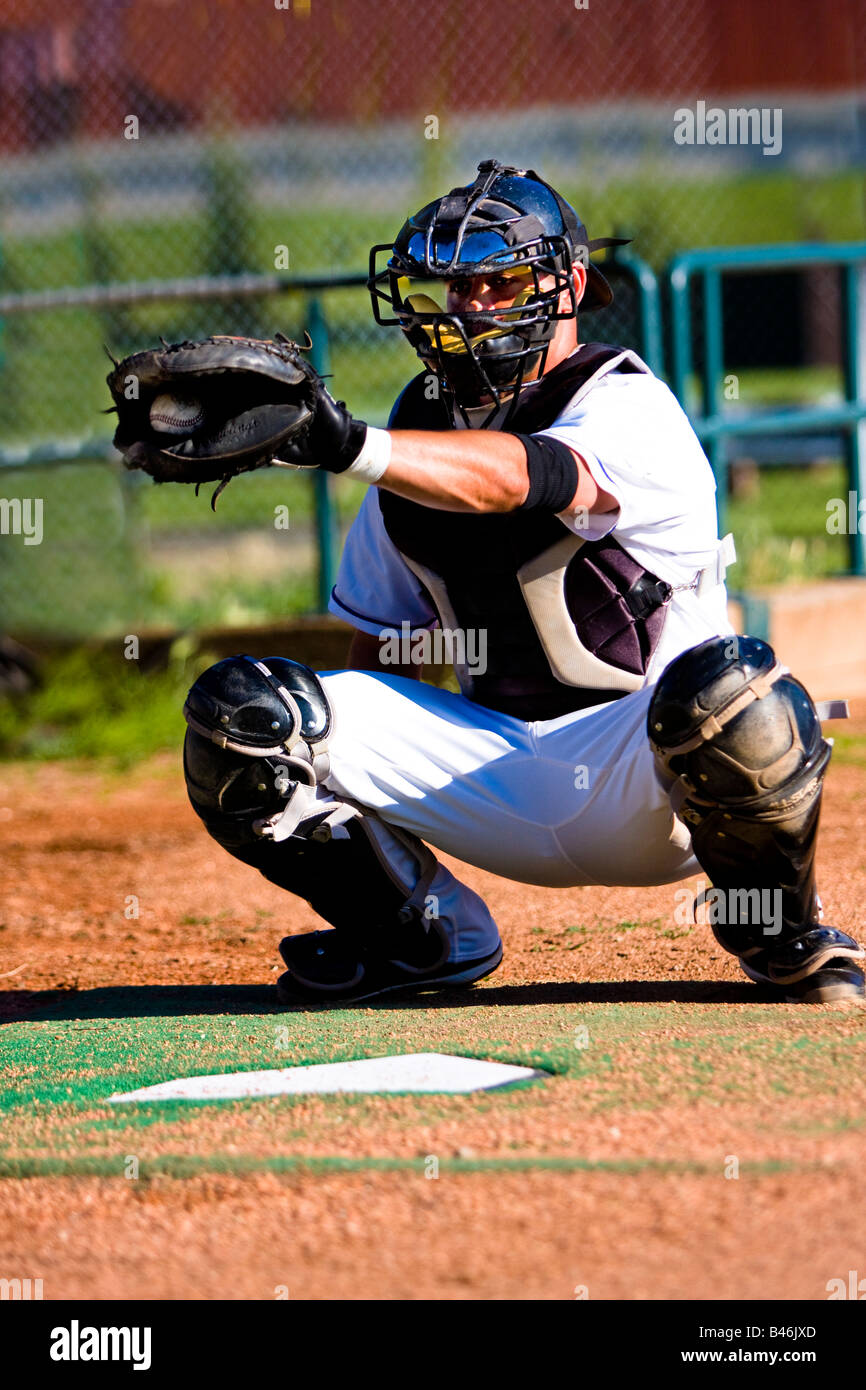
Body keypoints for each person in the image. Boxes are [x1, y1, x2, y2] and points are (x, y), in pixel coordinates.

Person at [181, 159, 863, 1005]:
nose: (469, 307)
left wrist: (351, 447)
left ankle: (778, 930)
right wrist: (356, 804)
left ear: (569, 284)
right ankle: (418, 934)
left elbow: (524, 477)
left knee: (738, 691)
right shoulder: (417, 439)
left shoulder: (625, 403)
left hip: (648, 781)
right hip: (489, 774)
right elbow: (380, 665)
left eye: (497, 282)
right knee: (246, 716)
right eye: (453, 287)